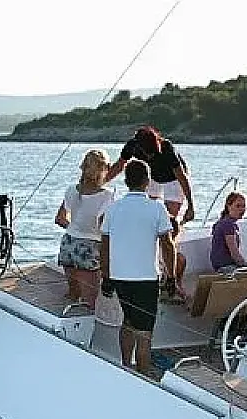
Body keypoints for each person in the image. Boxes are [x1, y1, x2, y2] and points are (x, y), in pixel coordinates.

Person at [99, 159, 175, 376]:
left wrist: (106, 276)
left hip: (119, 277)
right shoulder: (157, 208)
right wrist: (171, 277)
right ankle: (142, 375)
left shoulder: (113, 209)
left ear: (126, 181)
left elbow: (104, 245)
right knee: (144, 332)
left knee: (128, 321)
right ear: (147, 181)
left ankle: (125, 366)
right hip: (146, 279)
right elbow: (167, 244)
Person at [105, 126, 194, 294]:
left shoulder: (166, 148)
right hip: (151, 178)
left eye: (152, 153)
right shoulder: (132, 146)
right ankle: (151, 260)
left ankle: (171, 276)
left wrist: (191, 204)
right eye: (146, 153)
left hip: (173, 180)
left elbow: (181, 176)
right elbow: (119, 166)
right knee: (147, 219)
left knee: (169, 226)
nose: (150, 156)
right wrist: (100, 183)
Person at [53, 149, 115, 309]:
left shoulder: (71, 190)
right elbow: (103, 227)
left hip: (68, 244)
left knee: (72, 295)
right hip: (90, 248)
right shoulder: (107, 195)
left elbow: (59, 219)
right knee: (91, 301)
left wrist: (75, 227)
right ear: (104, 169)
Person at [209, 192, 247, 274]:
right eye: (238, 206)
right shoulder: (227, 224)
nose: (242, 209)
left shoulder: (226, 223)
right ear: (228, 206)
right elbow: (234, 253)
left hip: (225, 266)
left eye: (243, 206)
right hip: (225, 267)